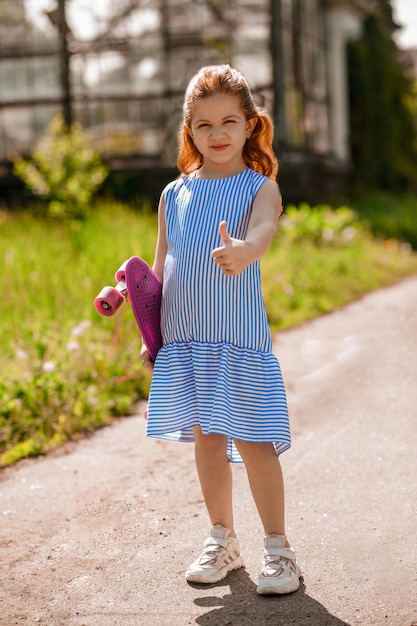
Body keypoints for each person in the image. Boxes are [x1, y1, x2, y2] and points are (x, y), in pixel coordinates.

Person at [140, 64, 300, 595]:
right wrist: (140, 313)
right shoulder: (173, 194)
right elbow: (158, 273)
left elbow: (262, 235)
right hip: (186, 344)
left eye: (230, 121)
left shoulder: (261, 188)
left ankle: (278, 551)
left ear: (251, 125)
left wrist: (243, 251)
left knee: (255, 443)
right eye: (204, 125)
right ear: (190, 131)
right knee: (207, 442)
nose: (218, 134)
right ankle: (223, 540)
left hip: (238, 343)